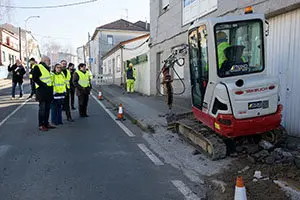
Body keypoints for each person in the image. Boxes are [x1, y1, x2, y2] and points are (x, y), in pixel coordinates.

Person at [32, 56, 55, 131]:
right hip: (41, 91)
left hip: (48, 91)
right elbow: (35, 78)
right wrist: (43, 85)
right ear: (45, 60)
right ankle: (41, 125)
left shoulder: (48, 68)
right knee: (42, 108)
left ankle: (46, 123)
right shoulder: (37, 67)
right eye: (49, 61)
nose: (50, 62)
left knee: (47, 109)